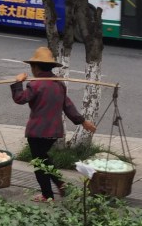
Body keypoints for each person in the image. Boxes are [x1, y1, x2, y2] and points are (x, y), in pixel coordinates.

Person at [10, 47, 96, 202]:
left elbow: (20, 99)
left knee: (39, 163)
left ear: (35, 67)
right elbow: (68, 106)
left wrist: (18, 82)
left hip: (37, 132)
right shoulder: (59, 85)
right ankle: (59, 184)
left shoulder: (35, 85)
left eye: (32, 67)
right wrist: (83, 122)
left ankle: (47, 194)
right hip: (54, 132)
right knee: (43, 159)